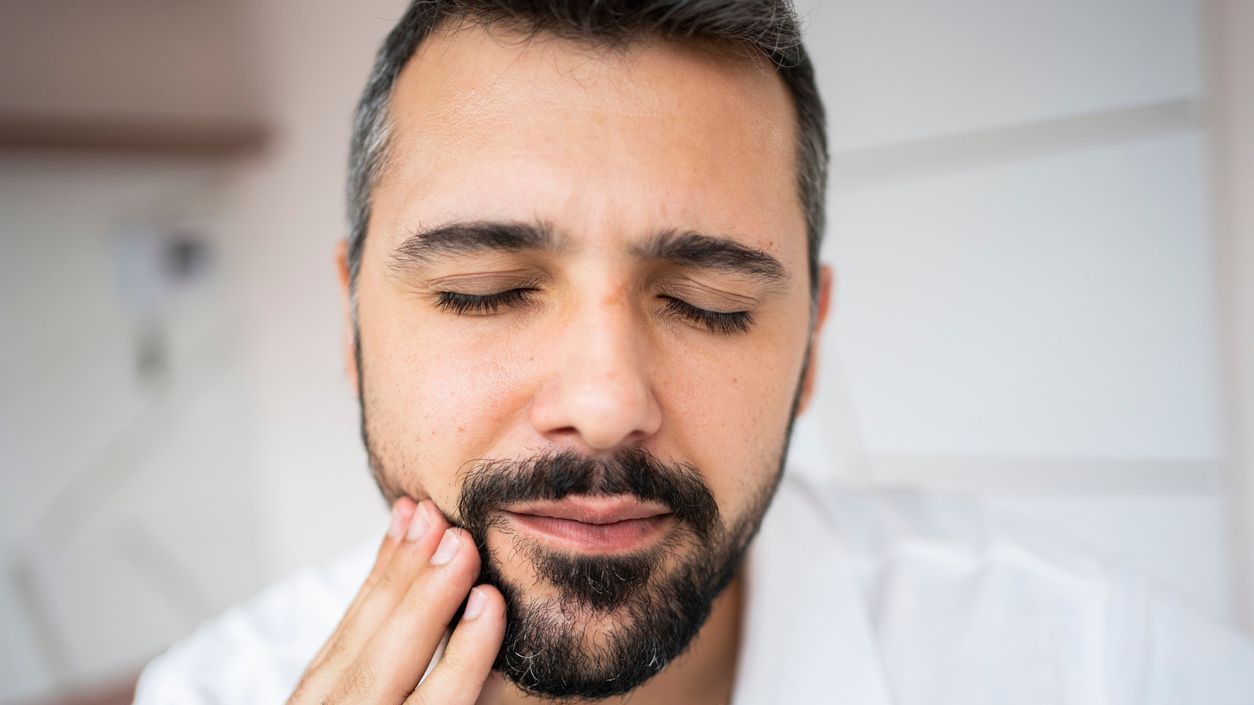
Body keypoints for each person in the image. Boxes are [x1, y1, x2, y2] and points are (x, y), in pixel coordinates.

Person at [133, 1, 1254, 703]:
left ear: (809, 344)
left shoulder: (1099, 665)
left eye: (709, 303)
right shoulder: (210, 692)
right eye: (485, 292)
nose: (608, 400)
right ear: (353, 327)